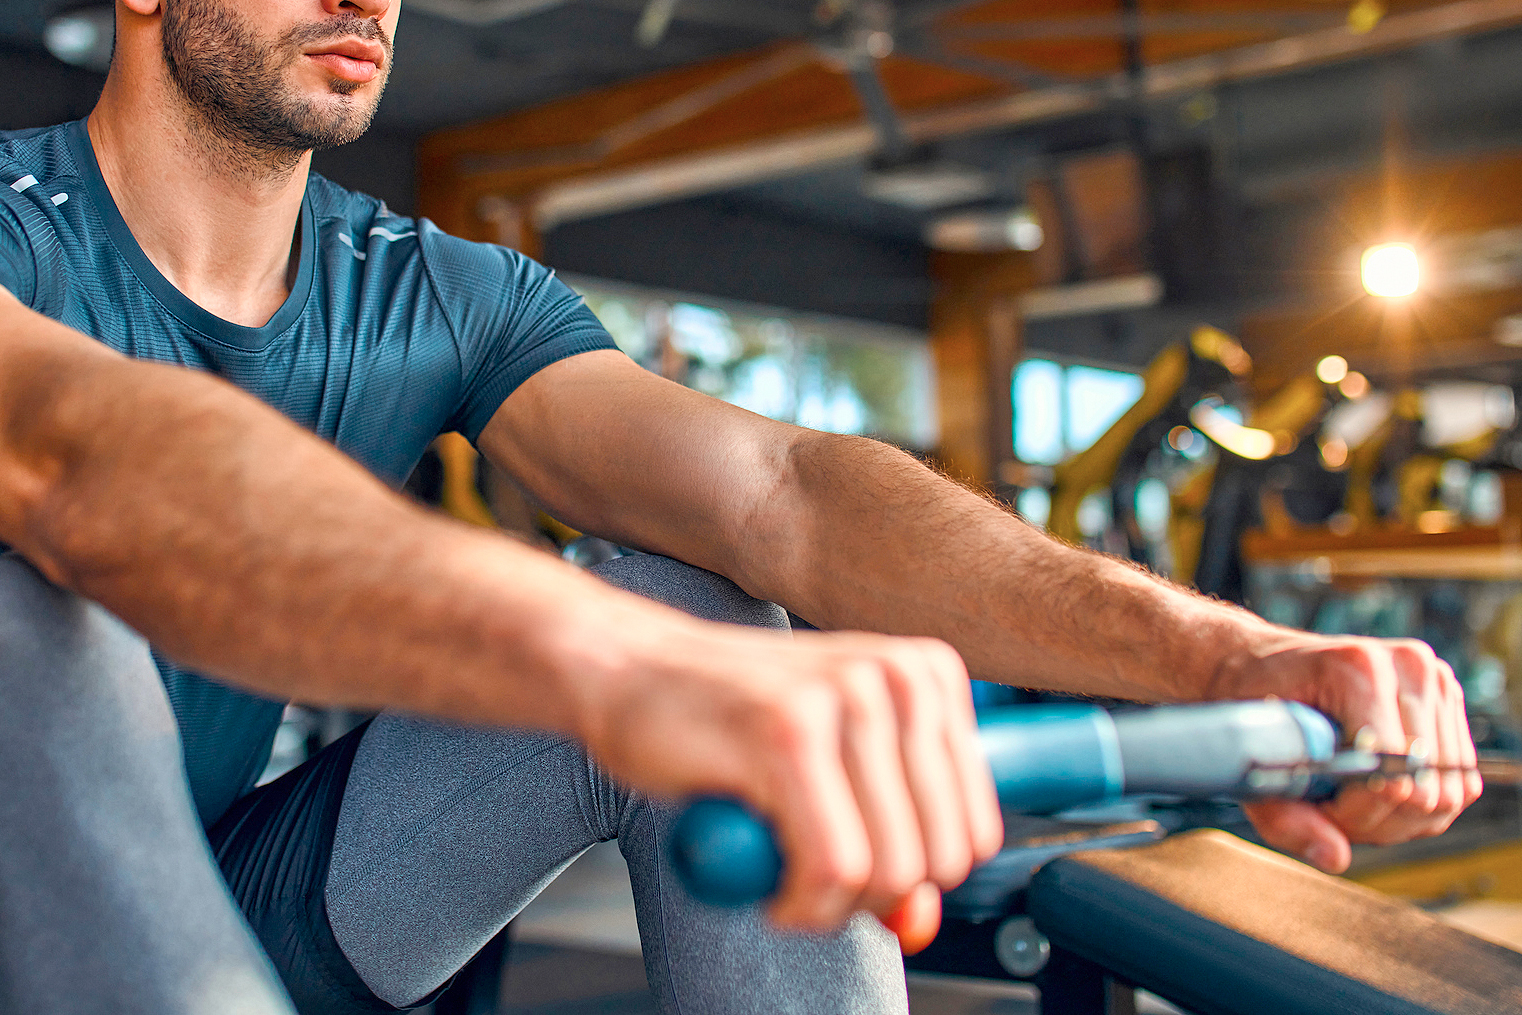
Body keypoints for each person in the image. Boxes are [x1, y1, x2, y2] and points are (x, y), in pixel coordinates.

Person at [0, 1, 1480, 1013]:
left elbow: (781, 495)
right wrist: (626, 678)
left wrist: (1224, 658)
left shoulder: (432, 288)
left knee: (693, 598)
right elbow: (79, 452)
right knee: (27, 604)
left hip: (251, 915)